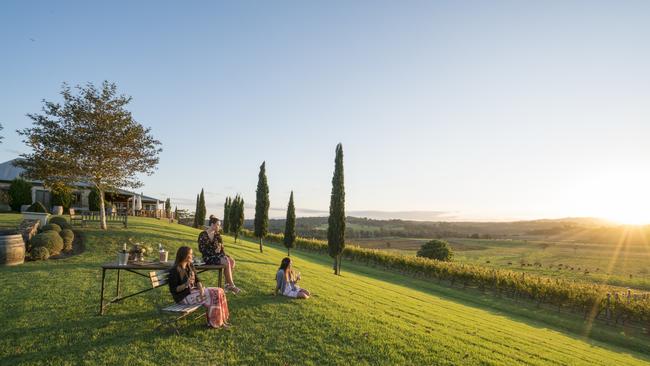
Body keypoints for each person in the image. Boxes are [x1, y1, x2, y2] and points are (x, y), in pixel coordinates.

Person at [168, 246, 230, 328]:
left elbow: (197, 280)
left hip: (193, 292)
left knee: (220, 290)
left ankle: (222, 320)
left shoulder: (189, 266)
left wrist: (201, 290)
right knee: (215, 293)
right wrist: (186, 284)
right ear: (184, 255)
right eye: (190, 254)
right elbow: (174, 290)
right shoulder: (175, 270)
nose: (192, 256)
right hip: (183, 298)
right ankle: (214, 322)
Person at [198, 216, 241, 294]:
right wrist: (214, 251)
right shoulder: (203, 235)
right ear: (212, 224)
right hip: (207, 258)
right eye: (218, 225)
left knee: (232, 261)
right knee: (226, 261)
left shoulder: (218, 236)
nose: (219, 227)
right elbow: (202, 250)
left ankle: (227, 284)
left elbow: (221, 250)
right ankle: (231, 285)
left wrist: (222, 252)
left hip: (217, 256)